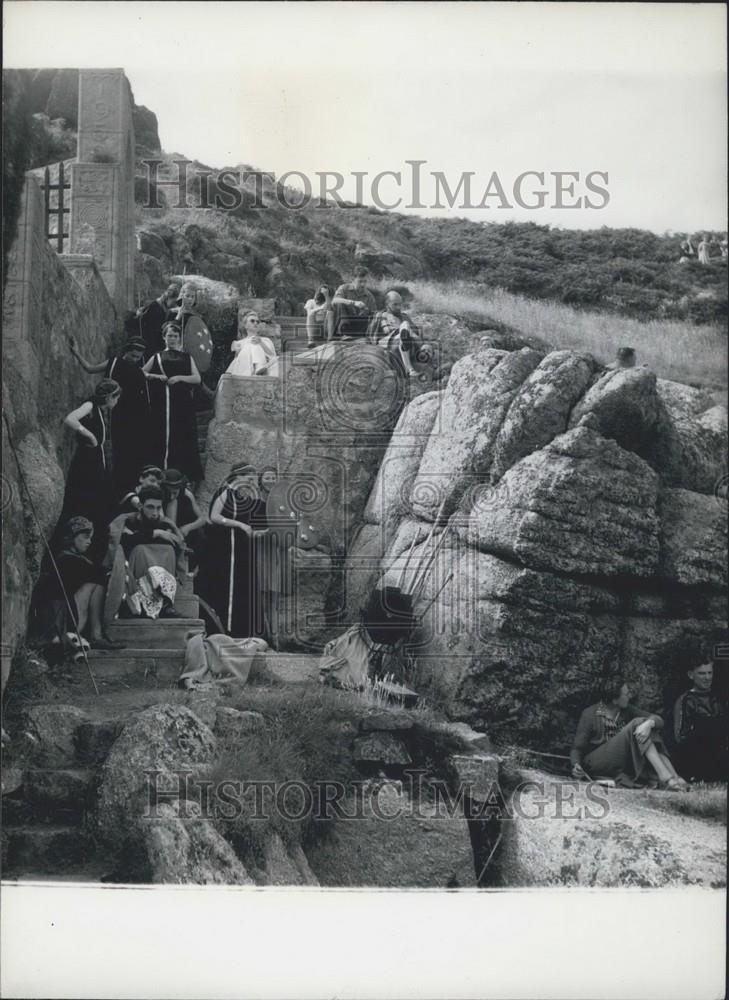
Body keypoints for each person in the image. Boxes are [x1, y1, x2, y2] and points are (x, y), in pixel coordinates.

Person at [571, 678, 690, 790]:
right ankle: (666, 777)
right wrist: (576, 765)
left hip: (620, 762)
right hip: (596, 763)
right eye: (626, 694)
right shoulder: (590, 714)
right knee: (637, 723)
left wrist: (649, 723)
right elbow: (577, 748)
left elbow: (659, 720)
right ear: (615, 700)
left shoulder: (627, 710)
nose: (630, 696)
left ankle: (674, 777)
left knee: (646, 726)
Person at [68, 335, 151, 497]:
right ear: (126, 351)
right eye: (133, 355)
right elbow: (90, 368)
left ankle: (122, 489)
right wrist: (77, 352)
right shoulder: (114, 362)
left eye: (138, 357)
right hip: (109, 410)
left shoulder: (138, 372)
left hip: (129, 417)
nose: (134, 359)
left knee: (125, 453)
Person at [199, 463, 269, 638]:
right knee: (224, 586)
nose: (252, 483)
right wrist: (239, 524)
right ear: (239, 477)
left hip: (240, 550)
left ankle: (240, 630)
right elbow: (214, 516)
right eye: (249, 478)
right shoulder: (225, 492)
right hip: (224, 548)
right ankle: (222, 628)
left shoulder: (243, 498)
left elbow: (250, 529)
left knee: (241, 588)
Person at [36, 517, 123, 651]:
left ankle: (93, 634)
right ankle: (96, 635)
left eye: (91, 537)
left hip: (68, 616)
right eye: (85, 537)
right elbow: (99, 573)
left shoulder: (73, 560)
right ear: (72, 537)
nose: (89, 541)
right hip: (63, 621)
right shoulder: (68, 561)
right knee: (97, 583)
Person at [59, 378, 122, 562]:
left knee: (100, 503)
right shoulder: (90, 405)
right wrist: (89, 435)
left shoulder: (102, 411)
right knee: (85, 500)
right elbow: (70, 419)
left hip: (96, 460)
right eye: (116, 398)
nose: (116, 403)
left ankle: (95, 551)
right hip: (86, 461)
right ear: (109, 397)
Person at [104, 485, 186, 620]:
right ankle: (138, 603)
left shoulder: (165, 524)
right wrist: (155, 533)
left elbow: (177, 545)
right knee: (140, 549)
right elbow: (123, 541)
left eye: (158, 508)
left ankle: (165, 602)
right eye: (150, 507)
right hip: (133, 578)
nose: (155, 512)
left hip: (159, 574)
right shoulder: (128, 521)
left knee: (169, 550)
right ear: (140, 506)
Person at [143, 322, 203, 483]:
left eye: (175, 336)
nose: (172, 338)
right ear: (164, 337)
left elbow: (197, 378)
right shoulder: (157, 356)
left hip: (182, 402)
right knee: (161, 433)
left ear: (179, 338)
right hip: (162, 400)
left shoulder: (186, 357)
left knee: (182, 433)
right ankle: (160, 470)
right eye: (169, 335)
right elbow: (141, 373)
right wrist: (156, 377)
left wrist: (179, 378)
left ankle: (182, 473)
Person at [672, 662, 728, 783]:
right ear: (691, 675)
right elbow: (680, 737)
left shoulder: (719, 698)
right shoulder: (685, 700)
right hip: (696, 758)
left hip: (720, 754)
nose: (707, 677)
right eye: (702, 673)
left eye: (710, 673)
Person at [367, 290, 429, 378]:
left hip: (403, 344)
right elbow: (372, 335)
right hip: (388, 343)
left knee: (405, 329)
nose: (399, 307)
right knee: (405, 326)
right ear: (387, 304)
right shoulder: (380, 316)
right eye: (395, 304)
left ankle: (410, 370)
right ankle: (407, 336)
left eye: (400, 304)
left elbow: (417, 331)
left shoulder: (404, 316)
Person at [161, 467, 207, 574]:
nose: (171, 496)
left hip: (188, 533)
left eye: (175, 493)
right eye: (169, 493)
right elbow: (170, 522)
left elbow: (202, 519)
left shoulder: (187, 494)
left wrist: (188, 527)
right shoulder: (160, 496)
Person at [225, 310, 278, 377]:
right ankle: (258, 367)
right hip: (245, 367)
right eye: (252, 321)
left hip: (265, 366)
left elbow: (272, 356)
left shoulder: (265, 340)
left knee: (254, 343)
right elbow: (236, 361)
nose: (255, 323)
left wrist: (261, 343)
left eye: (257, 322)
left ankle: (259, 366)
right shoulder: (239, 343)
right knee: (250, 345)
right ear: (245, 325)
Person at [135, 282, 181, 359]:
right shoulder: (155, 307)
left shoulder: (165, 308)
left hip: (159, 342)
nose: (175, 305)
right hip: (151, 343)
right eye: (174, 301)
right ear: (168, 298)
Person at [331, 266, 377, 340]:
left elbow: (374, 313)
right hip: (343, 323)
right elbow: (334, 301)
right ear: (353, 279)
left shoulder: (369, 296)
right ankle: (343, 333)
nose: (363, 284)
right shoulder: (344, 288)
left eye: (365, 281)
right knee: (340, 303)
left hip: (358, 325)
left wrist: (365, 311)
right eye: (360, 281)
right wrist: (352, 302)